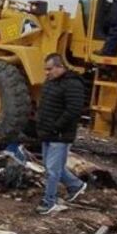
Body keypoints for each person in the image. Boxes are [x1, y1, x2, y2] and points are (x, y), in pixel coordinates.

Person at [35, 54, 87, 214]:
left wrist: (57, 127)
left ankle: (49, 201)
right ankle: (76, 185)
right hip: (48, 133)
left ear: (60, 67)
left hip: (60, 135)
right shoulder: (51, 83)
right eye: (45, 69)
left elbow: (73, 110)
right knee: (51, 166)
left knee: (52, 170)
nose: (46, 72)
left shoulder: (73, 84)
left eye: (49, 69)